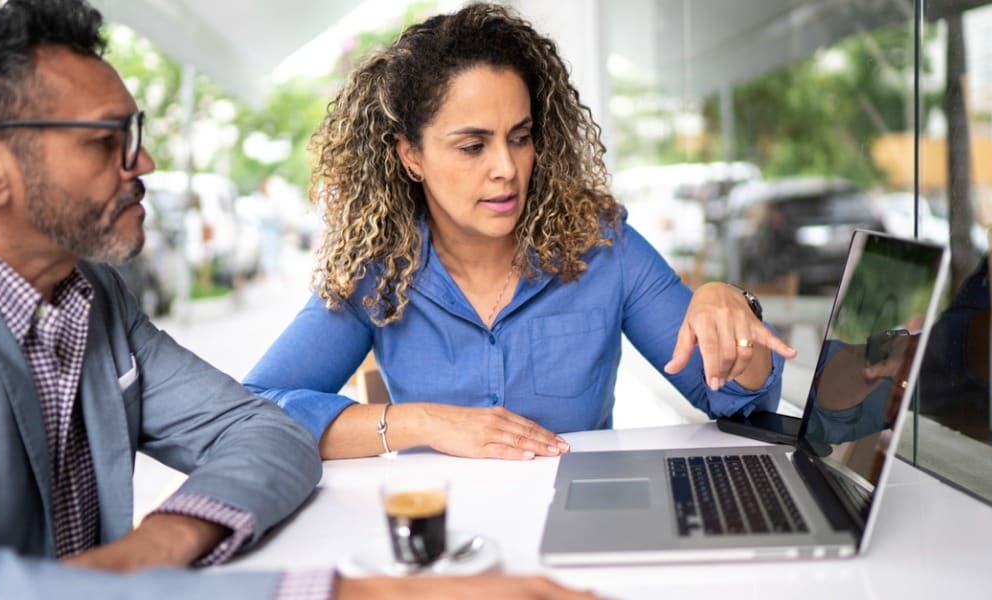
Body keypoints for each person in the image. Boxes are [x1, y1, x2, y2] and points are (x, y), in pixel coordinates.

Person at [0, 2, 595, 599]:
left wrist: (149, 552)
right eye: (108, 141)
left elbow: (265, 431)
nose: (143, 164)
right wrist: (358, 592)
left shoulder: (91, 296)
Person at [244, 3, 797, 461]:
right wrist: (425, 423)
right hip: (447, 551)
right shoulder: (379, 269)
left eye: (520, 136)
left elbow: (734, 404)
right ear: (410, 155)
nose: (506, 168)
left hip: (584, 533)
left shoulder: (603, 245)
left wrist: (731, 313)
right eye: (472, 145)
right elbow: (255, 411)